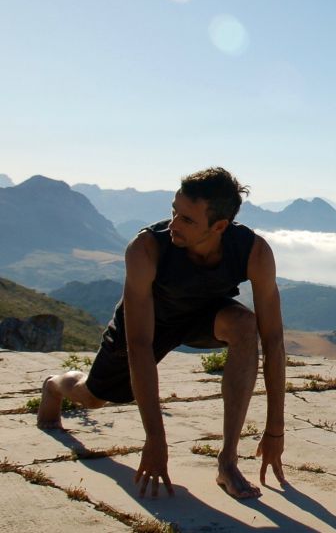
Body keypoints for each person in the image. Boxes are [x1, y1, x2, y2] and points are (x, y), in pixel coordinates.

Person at [37, 167, 286, 500]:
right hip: (148, 323)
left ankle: (227, 462)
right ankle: (55, 385)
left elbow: (273, 340)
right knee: (93, 397)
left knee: (245, 325)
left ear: (220, 226)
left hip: (205, 316)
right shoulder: (146, 249)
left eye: (186, 219)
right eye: (173, 212)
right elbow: (139, 345)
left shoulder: (253, 251)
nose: (173, 225)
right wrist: (155, 440)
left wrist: (274, 431)